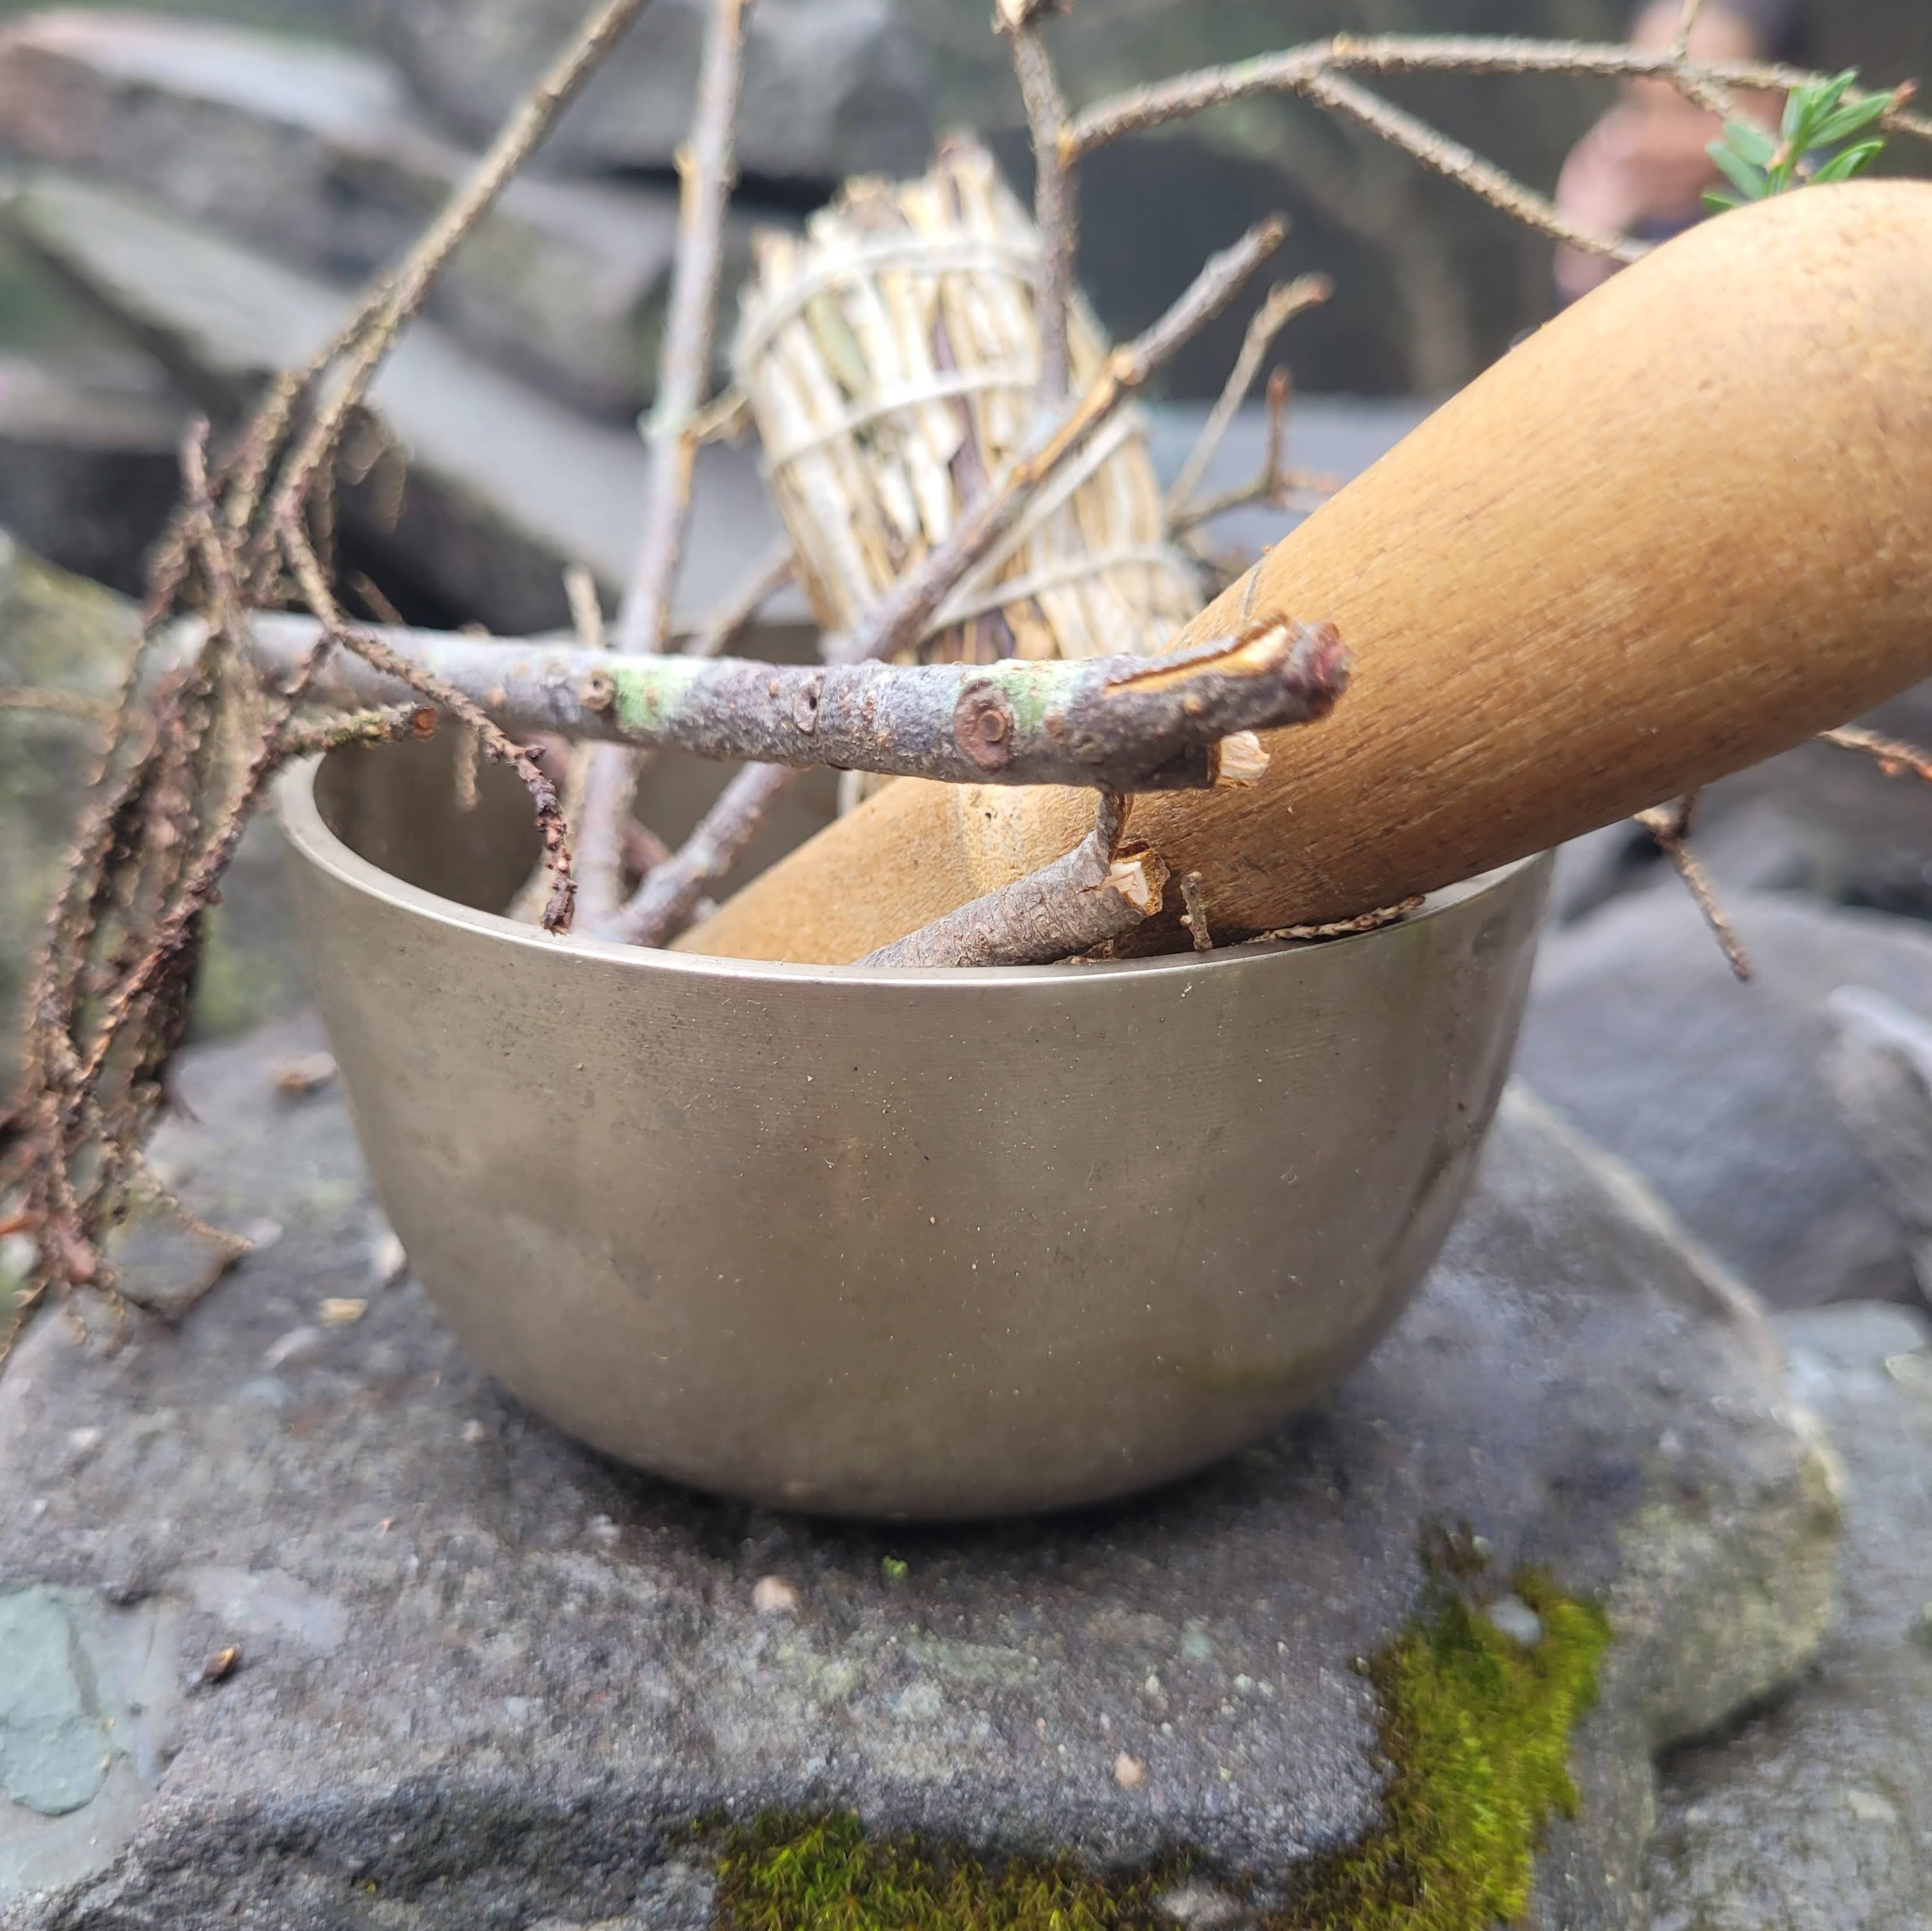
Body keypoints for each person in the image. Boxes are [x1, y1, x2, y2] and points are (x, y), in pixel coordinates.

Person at [1553, 0, 1808, 304]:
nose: (1662, 142)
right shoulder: (1646, 220)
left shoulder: (1820, 210)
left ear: (1777, 102)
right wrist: (1585, 260)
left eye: (1695, 107)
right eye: (1642, 107)